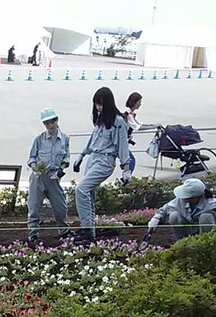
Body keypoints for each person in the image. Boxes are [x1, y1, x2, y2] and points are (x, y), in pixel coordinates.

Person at [73, 87, 132, 243]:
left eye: (101, 104)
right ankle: (90, 233)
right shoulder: (100, 119)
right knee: (89, 195)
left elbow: (123, 146)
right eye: (96, 104)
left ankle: (86, 229)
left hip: (105, 160)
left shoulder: (118, 121)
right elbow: (93, 139)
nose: (98, 107)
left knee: (81, 189)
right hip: (93, 157)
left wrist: (126, 169)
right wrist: (81, 156)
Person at [26, 108, 71, 243]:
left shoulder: (65, 139)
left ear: (56, 121)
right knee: (34, 206)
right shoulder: (39, 139)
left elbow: (66, 159)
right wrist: (35, 167)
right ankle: (33, 233)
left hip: (54, 176)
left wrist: (61, 170)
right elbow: (31, 158)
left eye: (52, 122)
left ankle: (64, 230)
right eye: (46, 123)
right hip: (38, 177)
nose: (50, 125)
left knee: (61, 206)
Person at [144, 178, 216, 241]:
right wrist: (156, 219)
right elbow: (165, 209)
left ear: (196, 197)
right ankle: (182, 241)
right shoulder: (180, 200)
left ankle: (205, 242)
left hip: (205, 233)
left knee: (206, 217)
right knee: (174, 216)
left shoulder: (211, 204)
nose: (183, 197)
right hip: (187, 231)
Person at [122, 92, 143, 177]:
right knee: (131, 161)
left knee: (129, 161)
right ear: (135, 102)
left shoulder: (131, 113)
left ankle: (125, 177)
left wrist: (153, 126)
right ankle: (126, 179)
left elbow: (139, 124)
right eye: (139, 102)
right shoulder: (128, 114)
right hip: (122, 143)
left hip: (124, 142)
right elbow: (137, 127)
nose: (140, 104)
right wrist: (154, 126)